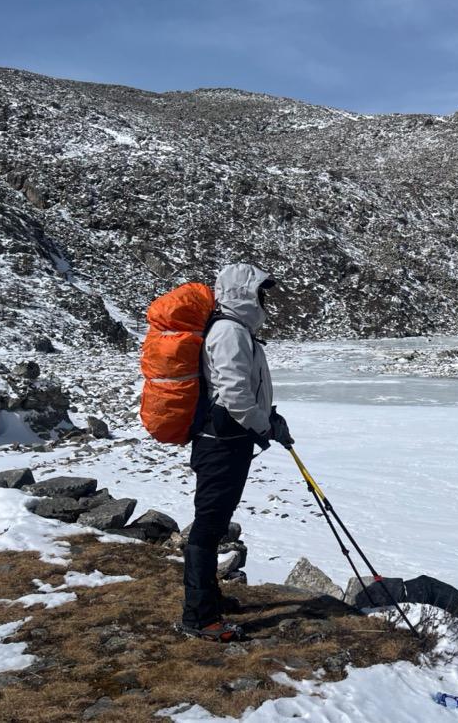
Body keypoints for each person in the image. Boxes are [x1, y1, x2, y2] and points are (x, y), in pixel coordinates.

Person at [178, 263, 293, 641]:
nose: (264, 300)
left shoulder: (238, 330)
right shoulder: (229, 331)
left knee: (213, 525)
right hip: (220, 446)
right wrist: (263, 426)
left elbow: (246, 390)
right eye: (261, 292)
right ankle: (200, 618)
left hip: (228, 443)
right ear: (244, 293)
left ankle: (209, 599)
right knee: (208, 529)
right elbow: (234, 394)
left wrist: (269, 418)